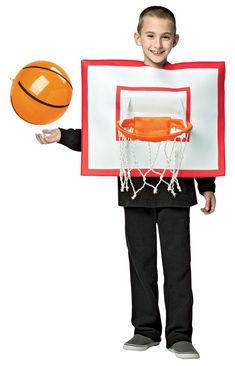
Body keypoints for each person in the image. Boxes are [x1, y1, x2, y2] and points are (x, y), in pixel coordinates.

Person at [36, 6, 216, 359]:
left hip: (176, 189)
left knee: (178, 265)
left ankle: (180, 335)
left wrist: (207, 185)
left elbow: (202, 139)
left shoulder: (187, 84)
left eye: (165, 36)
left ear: (175, 40)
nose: (157, 43)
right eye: (150, 35)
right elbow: (102, 135)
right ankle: (145, 330)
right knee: (141, 262)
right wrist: (62, 136)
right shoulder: (119, 82)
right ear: (138, 38)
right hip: (134, 186)